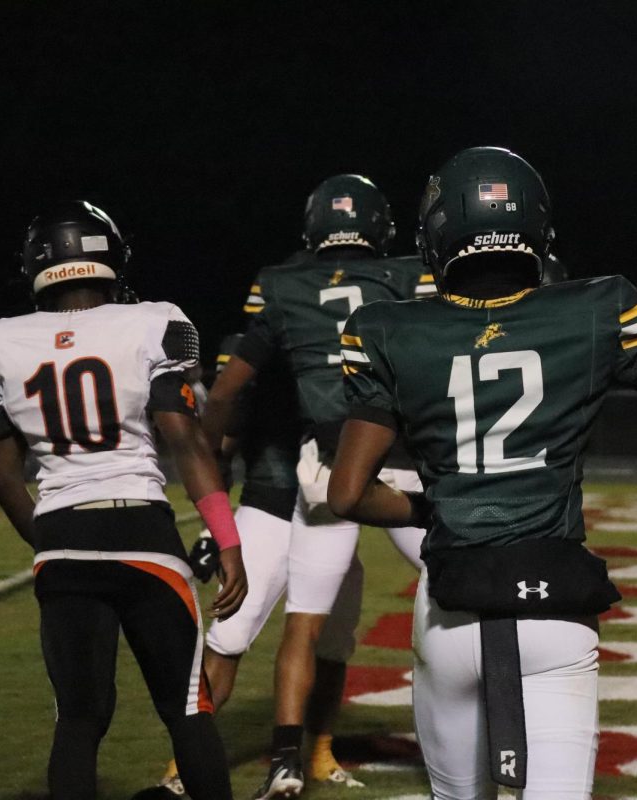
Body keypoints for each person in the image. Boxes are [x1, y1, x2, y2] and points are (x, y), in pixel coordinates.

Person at [327, 147, 637, 800]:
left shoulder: (391, 329)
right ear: (536, 228)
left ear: (437, 234)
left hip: (451, 608)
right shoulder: (593, 308)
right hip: (556, 606)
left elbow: (348, 493)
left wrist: (431, 509)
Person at [0, 200, 248, 800]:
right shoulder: (150, 322)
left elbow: (4, 476)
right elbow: (186, 444)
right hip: (143, 533)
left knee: (79, 719)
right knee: (188, 710)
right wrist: (226, 538)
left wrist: (50, 540)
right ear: (108, 257)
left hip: (63, 536)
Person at [201, 175, 430, 800]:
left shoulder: (277, 286)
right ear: (381, 226)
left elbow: (231, 388)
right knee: (465, 588)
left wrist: (211, 485)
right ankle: (500, 742)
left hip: (318, 471)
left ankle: (284, 760)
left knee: (298, 622)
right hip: (401, 460)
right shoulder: (413, 274)